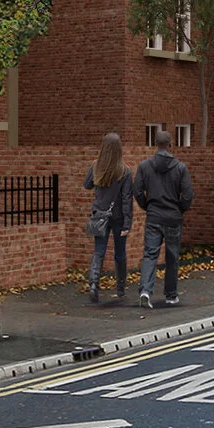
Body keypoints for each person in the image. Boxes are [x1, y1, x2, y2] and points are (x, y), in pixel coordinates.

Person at [134, 131, 195, 308]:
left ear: (155, 143)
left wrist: (147, 206)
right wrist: (180, 209)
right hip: (173, 218)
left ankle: (145, 290)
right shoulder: (180, 168)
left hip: (154, 216)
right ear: (170, 143)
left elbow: (137, 191)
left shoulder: (144, 166)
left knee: (150, 254)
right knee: (172, 257)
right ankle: (171, 295)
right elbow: (188, 194)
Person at [82, 133, 135, 304]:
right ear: (119, 149)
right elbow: (127, 199)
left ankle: (93, 285)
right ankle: (120, 288)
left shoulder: (96, 166)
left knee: (99, 251)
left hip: (99, 215)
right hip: (118, 217)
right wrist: (128, 222)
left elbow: (86, 184)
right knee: (120, 253)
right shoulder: (124, 171)